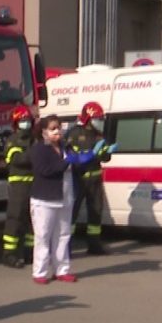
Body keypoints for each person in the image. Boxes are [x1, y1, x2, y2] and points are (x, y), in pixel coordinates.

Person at [30, 115, 94, 284]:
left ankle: (62, 270)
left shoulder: (66, 146)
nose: (57, 131)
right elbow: (45, 171)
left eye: (58, 127)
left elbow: (77, 165)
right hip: (45, 199)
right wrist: (66, 162)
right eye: (52, 128)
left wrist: (92, 157)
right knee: (43, 236)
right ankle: (40, 272)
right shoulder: (39, 149)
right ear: (44, 132)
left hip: (66, 197)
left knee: (64, 235)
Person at [67, 101, 117, 255]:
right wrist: (91, 153)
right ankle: (66, 246)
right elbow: (74, 157)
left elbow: (105, 158)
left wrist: (106, 151)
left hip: (95, 179)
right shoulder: (75, 133)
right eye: (97, 118)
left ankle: (94, 245)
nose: (100, 122)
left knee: (95, 211)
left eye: (101, 119)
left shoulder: (99, 135)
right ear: (88, 118)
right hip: (79, 179)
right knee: (72, 214)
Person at [1, 106, 36, 268]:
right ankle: (9, 254)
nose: (26, 123)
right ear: (16, 123)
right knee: (15, 218)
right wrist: (33, 154)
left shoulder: (35, 139)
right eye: (23, 121)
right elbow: (16, 159)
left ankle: (30, 253)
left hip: (34, 184)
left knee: (31, 221)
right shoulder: (12, 140)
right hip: (18, 184)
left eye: (28, 120)